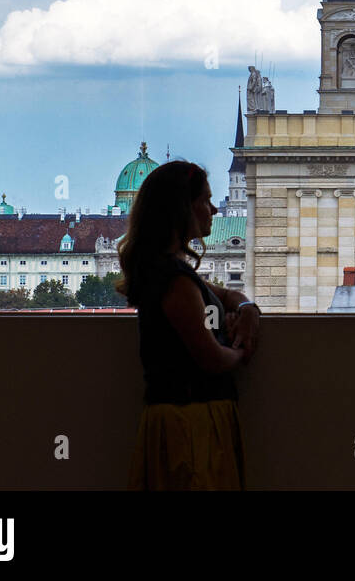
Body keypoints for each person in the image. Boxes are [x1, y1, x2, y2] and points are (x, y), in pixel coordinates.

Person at [117, 160, 260, 490]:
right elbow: (209, 358)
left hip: (183, 420)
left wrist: (248, 310)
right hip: (191, 424)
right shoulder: (175, 280)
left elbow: (226, 294)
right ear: (182, 209)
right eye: (205, 201)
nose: (213, 208)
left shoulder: (171, 272)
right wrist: (240, 348)